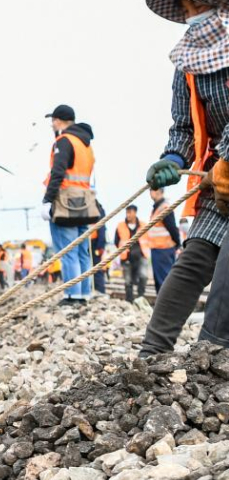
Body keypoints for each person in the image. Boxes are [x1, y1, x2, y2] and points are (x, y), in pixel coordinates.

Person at [140, 0, 229, 356]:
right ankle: (150, 355)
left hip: (223, 167)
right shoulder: (188, 62)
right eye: (185, 7)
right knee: (195, 258)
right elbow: (184, 125)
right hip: (220, 179)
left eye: (194, 4)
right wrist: (173, 159)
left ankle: (213, 357)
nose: (190, 13)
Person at [40, 104, 96, 306]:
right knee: (82, 251)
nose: (52, 124)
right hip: (85, 201)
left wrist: (47, 200)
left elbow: (58, 172)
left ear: (58, 120)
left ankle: (72, 295)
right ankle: (84, 293)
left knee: (67, 250)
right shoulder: (86, 144)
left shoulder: (63, 141)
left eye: (53, 120)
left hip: (65, 202)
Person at [148, 188, 182, 293]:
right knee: (159, 281)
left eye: (152, 189)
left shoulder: (164, 208)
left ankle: (167, 307)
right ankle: (162, 307)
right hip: (158, 249)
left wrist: (178, 244)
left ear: (159, 191)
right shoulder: (157, 208)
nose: (150, 193)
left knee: (164, 280)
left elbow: (172, 227)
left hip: (164, 249)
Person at [115, 205, 150, 303]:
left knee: (143, 276)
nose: (128, 215)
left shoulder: (143, 225)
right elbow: (116, 241)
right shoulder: (120, 225)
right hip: (126, 257)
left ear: (135, 213)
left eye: (130, 212)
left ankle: (140, 297)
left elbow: (148, 239)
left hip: (141, 255)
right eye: (127, 212)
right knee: (128, 280)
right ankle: (129, 300)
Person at [90, 202, 108, 294]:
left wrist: (100, 246)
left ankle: (100, 291)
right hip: (89, 242)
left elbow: (101, 229)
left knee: (96, 269)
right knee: (90, 269)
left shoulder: (98, 209)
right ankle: (92, 289)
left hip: (94, 244)